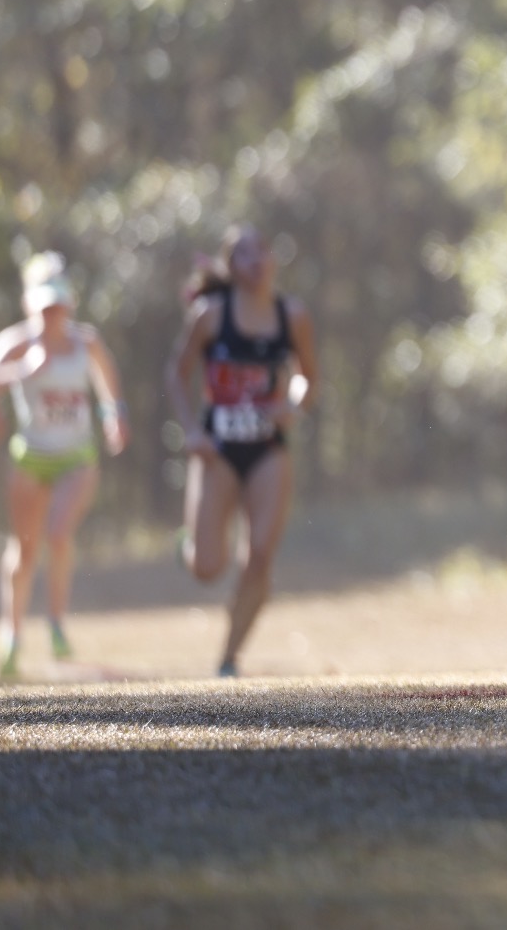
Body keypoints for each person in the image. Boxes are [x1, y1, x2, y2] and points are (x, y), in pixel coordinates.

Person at [166, 226, 319, 677]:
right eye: (244, 254)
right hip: (218, 450)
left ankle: (229, 658)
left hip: (268, 449)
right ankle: (192, 546)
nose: (256, 260)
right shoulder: (211, 315)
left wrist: (291, 403)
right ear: (231, 267)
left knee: (259, 557)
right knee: (208, 568)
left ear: (273, 261)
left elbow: (310, 377)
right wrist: (192, 431)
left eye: (263, 251)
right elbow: (177, 374)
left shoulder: (293, 316)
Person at [0, 254, 127, 678]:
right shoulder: (14, 342)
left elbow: (109, 385)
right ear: (30, 305)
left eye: (59, 305)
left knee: (58, 532)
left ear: (69, 303)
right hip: (30, 456)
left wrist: (113, 419)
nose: (54, 313)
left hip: (76, 455)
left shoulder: (86, 341)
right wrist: (20, 371)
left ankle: (56, 623)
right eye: (45, 305)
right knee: (25, 547)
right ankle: (12, 634)